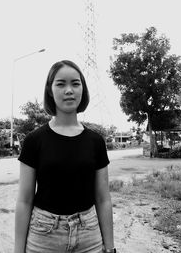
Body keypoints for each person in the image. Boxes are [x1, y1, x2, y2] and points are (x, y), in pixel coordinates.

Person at [14, 60, 116, 253]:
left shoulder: (96, 141)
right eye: (61, 84)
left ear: (82, 89)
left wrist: (110, 248)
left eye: (75, 83)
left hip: (89, 236)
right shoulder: (34, 141)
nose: (69, 90)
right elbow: (24, 200)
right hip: (44, 237)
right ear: (50, 91)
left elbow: (103, 199)